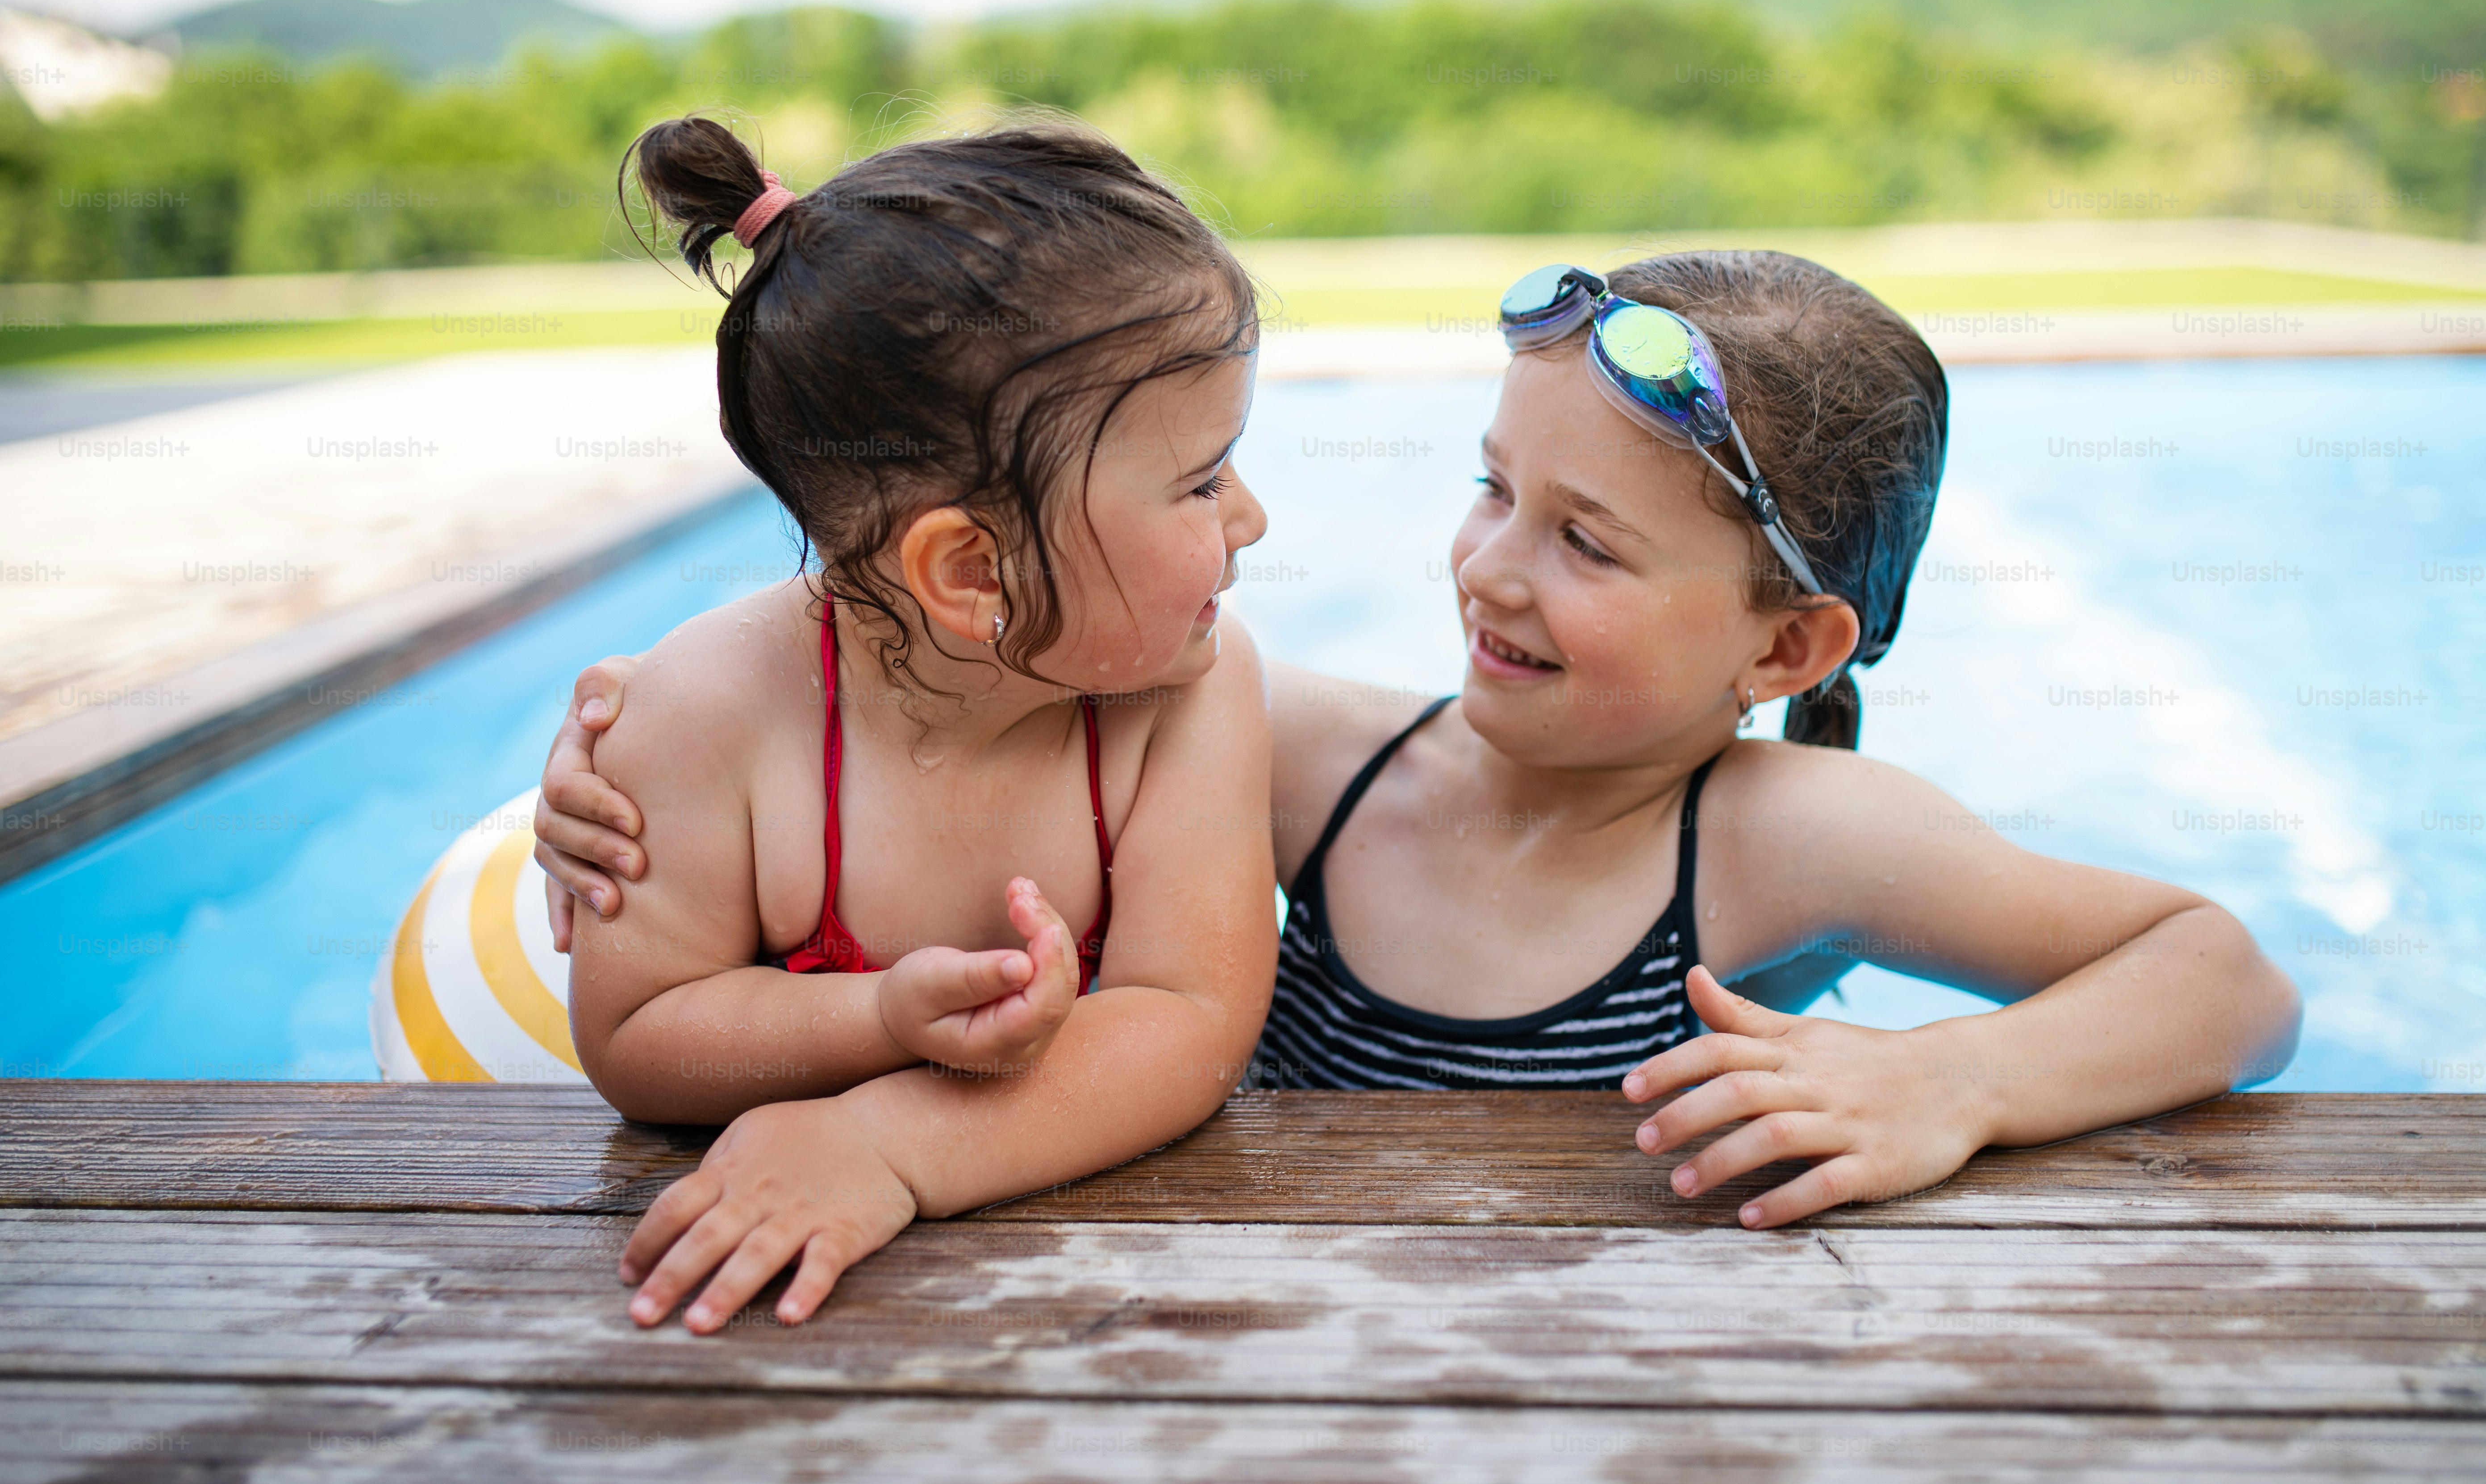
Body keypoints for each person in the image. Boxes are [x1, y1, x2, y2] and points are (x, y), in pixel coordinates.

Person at [541, 244, 2299, 1265]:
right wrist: (633, 759)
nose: (1489, 566)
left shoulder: (1792, 838)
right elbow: (952, 667)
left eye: (1589, 545)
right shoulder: (1314, 747)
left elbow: (2223, 973)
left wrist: (1955, 1085)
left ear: (1787, 648)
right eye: (1491, 485)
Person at [559, 115, 1277, 1335]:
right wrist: (876, 1019)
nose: (1251, 518)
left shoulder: (1187, 699)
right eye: (1203, 481)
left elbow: (1190, 1024)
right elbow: (634, 1036)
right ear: (973, 573)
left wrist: (888, 1145)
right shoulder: (701, 716)